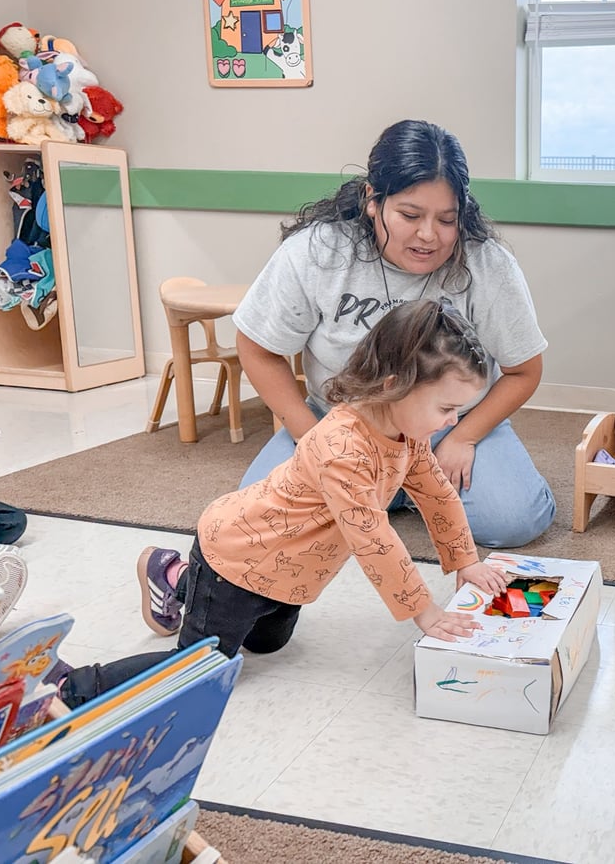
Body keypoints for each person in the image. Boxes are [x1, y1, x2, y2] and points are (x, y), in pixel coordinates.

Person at [59, 300, 510, 709]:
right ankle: (72, 688)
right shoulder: (342, 448)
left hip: (284, 573)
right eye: (447, 408)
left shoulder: (406, 435)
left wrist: (464, 561)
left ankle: (174, 576)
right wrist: (424, 611)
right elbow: (375, 541)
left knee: (269, 644)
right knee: (202, 670)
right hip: (234, 561)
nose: (453, 422)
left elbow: (437, 494)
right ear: (394, 386)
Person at [233, 120, 554, 548]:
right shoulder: (317, 252)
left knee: (515, 521)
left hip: (449, 423)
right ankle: (398, 491)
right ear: (372, 199)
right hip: (342, 424)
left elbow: (524, 371)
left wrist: (464, 436)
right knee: (257, 521)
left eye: (447, 219)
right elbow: (257, 348)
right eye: (409, 215)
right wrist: (308, 435)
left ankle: (395, 490)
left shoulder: (486, 263)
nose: (428, 235)